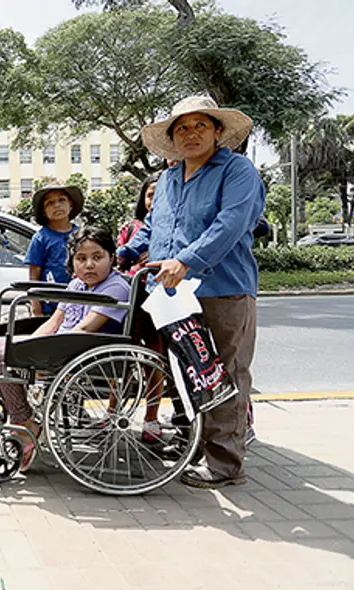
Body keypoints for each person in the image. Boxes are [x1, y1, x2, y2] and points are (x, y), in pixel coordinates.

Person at [118, 95, 265, 489]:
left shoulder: (238, 171)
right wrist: (125, 251)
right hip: (171, 295)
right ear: (172, 138)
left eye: (200, 125)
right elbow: (154, 227)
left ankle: (226, 464)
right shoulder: (167, 179)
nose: (190, 133)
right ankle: (194, 446)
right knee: (186, 374)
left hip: (223, 288)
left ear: (218, 132)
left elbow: (231, 223)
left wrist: (186, 260)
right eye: (181, 127)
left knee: (225, 375)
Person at [0, 227, 130, 472]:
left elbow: (85, 329)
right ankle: (24, 419)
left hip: (79, 351)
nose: (89, 265)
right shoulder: (76, 284)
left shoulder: (116, 288)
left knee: (1, 355)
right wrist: (28, 345)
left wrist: (36, 352)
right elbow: (55, 321)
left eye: (97, 257)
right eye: (81, 259)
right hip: (61, 344)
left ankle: (24, 423)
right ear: (72, 262)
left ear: (111, 258)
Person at [24, 183, 85, 315]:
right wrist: (36, 306)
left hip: (79, 301)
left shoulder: (81, 235)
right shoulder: (40, 238)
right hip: (50, 305)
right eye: (50, 203)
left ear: (71, 204)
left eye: (61, 200)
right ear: (44, 212)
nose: (57, 205)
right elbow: (34, 275)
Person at [117, 173, 160, 276]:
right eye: (150, 195)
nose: (155, 201)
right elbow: (120, 260)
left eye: (160, 195)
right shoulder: (130, 228)